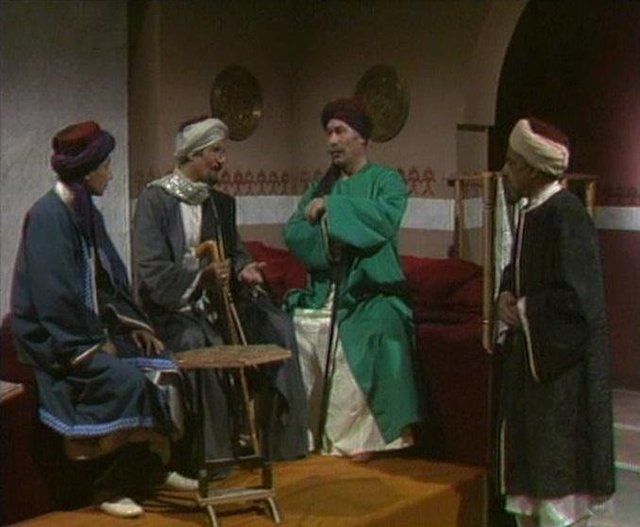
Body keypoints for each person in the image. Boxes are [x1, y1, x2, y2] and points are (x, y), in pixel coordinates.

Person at [10, 121, 196, 519]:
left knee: (164, 366)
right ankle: (109, 486)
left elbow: (108, 284)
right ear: (87, 171)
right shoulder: (48, 216)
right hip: (54, 342)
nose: (110, 174)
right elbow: (54, 299)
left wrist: (134, 327)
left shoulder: (85, 214)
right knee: (128, 381)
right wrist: (94, 343)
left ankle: (150, 468)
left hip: (87, 331)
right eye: (106, 166)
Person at [133, 116, 308, 463]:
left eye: (222, 152)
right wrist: (201, 278)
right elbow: (152, 272)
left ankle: (284, 446)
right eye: (215, 151)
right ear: (193, 153)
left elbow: (235, 250)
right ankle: (214, 459)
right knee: (199, 342)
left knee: (279, 327)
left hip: (219, 304)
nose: (222, 160)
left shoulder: (219, 203)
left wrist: (244, 269)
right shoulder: (155, 200)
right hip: (172, 309)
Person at [283, 98, 423, 461]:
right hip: (325, 291)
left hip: (370, 293)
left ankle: (359, 439)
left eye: (340, 131)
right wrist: (326, 235)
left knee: (368, 334)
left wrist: (333, 209)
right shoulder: (321, 185)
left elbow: (383, 219)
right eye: (328, 132)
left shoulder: (386, 181)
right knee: (300, 328)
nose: (331, 140)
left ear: (361, 137)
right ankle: (307, 433)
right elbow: (294, 231)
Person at [496, 118, 615, 527]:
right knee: (530, 496)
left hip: (561, 382)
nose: (506, 171)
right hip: (534, 372)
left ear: (533, 170)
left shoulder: (567, 214)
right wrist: (505, 295)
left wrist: (526, 310)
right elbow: (519, 270)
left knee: (556, 500)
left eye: (513, 163)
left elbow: (578, 303)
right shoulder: (533, 211)